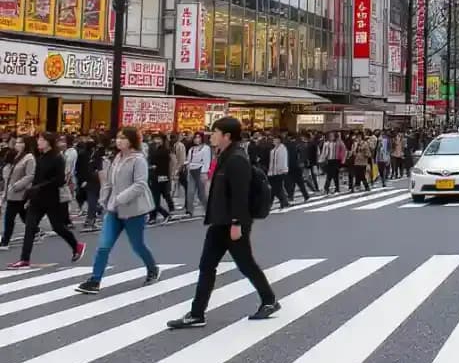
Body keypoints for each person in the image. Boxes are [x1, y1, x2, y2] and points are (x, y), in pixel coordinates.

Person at [167, 117, 279, 328]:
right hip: (220, 221)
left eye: (215, 132)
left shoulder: (236, 159)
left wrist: (237, 223)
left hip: (232, 223)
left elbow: (240, 195)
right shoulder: (226, 155)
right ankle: (197, 313)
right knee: (208, 265)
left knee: (245, 264)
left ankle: (269, 300)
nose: (212, 136)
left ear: (227, 135)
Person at [76, 127, 159, 294]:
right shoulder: (117, 158)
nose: (119, 141)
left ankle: (152, 268)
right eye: (118, 138)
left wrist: (121, 198)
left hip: (134, 210)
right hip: (114, 210)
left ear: (132, 141)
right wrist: (103, 200)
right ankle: (95, 280)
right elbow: (108, 182)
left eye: (123, 138)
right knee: (104, 246)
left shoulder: (138, 160)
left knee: (137, 245)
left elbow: (141, 184)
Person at [7, 133, 85, 269]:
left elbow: (60, 180)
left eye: (41, 140)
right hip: (37, 199)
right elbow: (36, 178)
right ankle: (24, 259)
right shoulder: (40, 157)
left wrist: (40, 187)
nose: (38, 142)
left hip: (52, 199)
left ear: (49, 142)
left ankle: (76, 245)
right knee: (30, 228)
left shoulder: (58, 158)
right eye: (38, 139)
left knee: (58, 227)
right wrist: (29, 195)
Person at [0, 137, 35, 249]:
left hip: (20, 192)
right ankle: (36, 230)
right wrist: (4, 194)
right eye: (17, 142)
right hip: (11, 192)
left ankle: (5, 241)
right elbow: (8, 176)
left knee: (9, 217)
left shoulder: (29, 158)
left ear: (26, 144)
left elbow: (30, 175)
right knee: (23, 215)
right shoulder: (13, 156)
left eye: (20, 142)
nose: (17, 144)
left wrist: (17, 186)